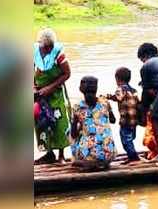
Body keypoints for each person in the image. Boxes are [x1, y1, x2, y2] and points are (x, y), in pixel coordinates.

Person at [34, 28, 71, 164]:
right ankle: (49, 154)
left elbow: (67, 73)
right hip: (39, 95)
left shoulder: (59, 54)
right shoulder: (33, 53)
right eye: (46, 47)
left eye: (51, 46)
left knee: (59, 122)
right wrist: (33, 87)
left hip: (55, 93)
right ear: (41, 45)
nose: (49, 49)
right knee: (42, 122)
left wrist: (50, 87)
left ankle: (61, 155)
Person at [70, 76, 116, 170]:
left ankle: (81, 159)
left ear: (81, 89)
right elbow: (113, 120)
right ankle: (103, 160)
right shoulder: (105, 102)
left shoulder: (77, 107)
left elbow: (73, 134)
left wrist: (82, 127)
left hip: (89, 158)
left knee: (69, 131)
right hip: (110, 154)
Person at [107, 67, 140, 164]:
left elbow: (119, 97)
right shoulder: (134, 90)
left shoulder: (120, 89)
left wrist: (108, 97)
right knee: (131, 138)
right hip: (134, 119)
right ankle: (131, 154)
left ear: (117, 79)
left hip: (125, 120)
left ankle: (133, 157)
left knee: (125, 139)